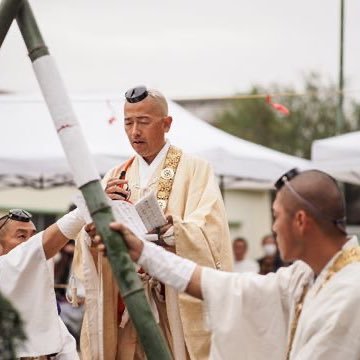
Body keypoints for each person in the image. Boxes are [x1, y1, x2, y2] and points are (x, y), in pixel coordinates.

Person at [94, 169, 360, 359]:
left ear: (301, 221)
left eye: (276, 216)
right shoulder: (306, 275)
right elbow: (223, 286)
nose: (274, 227)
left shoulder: (349, 293)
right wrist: (142, 252)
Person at [73, 86, 233, 359]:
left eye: (143, 122)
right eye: (128, 122)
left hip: (170, 302)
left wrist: (175, 231)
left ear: (166, 123)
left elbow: (210, 229)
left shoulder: (195, 169)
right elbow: (85, 236)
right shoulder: (116, 173)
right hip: (126, 301)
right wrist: (97, 219)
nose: (135, 131)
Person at [0, 208, 85, 359]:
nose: (28, 242)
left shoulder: (37, 293)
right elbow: (38, 247)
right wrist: (86, 208)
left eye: (33, 237)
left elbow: (64, 346)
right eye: (21, 236)